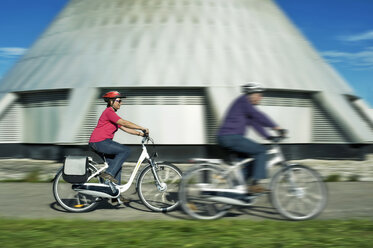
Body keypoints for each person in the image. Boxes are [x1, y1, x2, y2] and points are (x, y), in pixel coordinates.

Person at [217, 82, 283, 194]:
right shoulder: (243, 101)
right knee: (261, 151)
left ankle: (238, 194)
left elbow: (255, 124)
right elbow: (258, 115)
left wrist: (269, 137)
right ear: (251, 94)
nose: (261, 97)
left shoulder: (245, 107)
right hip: (230, 137)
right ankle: (255, 184)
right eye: (259, 94)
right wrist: (275, 127)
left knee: (249, 164)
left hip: (229, 138)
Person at [89, 91, 149, 189]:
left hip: (102, 142)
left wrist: (141, 134)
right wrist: (142, 127)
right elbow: (125, 123)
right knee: (125, 150)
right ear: (111, 101)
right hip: (99, 141)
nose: (121, 103)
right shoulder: (109, 112)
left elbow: (125, 128)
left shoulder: (112, 115)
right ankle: (108, 174)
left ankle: (115, 194)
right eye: (119, 101)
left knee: (116, 165)